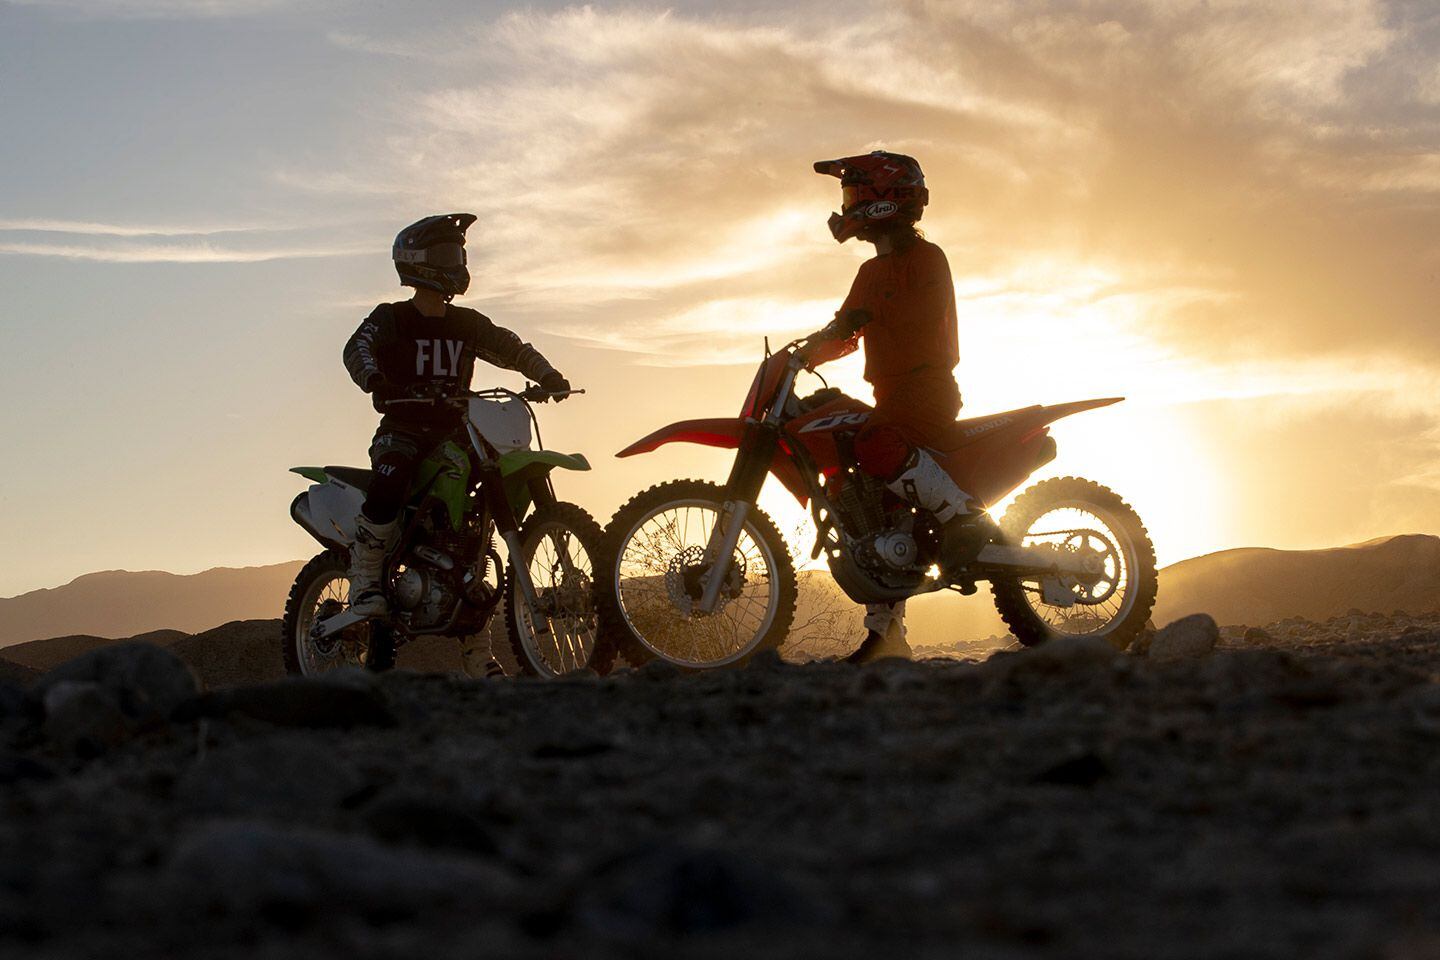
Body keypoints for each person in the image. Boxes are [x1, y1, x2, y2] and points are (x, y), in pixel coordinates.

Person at [342, 213, 571, 616]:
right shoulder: (391, 318)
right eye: (447, 254)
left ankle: (476, 645)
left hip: (460, 433)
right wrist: (377, 381)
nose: (457, 265)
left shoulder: (467, 323)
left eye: (459, 255)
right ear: (417, 261)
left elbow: (511, 346)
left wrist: (547, 373)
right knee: (392, 475)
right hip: (403, 430)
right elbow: (357, 348)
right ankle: (364, 576)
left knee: (476, 520)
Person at [798, 152, 972, 664]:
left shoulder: (928, 258)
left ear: (884, 199)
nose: (848, 205)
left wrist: (865, 312)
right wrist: (809, 351)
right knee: (865, 497)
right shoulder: (871, 270)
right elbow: (847, 329)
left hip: (928, 391)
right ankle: (885, 633)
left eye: (855, 195)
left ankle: (962, 518)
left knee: (874, 442)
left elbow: (919, 313)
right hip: (890, 396)